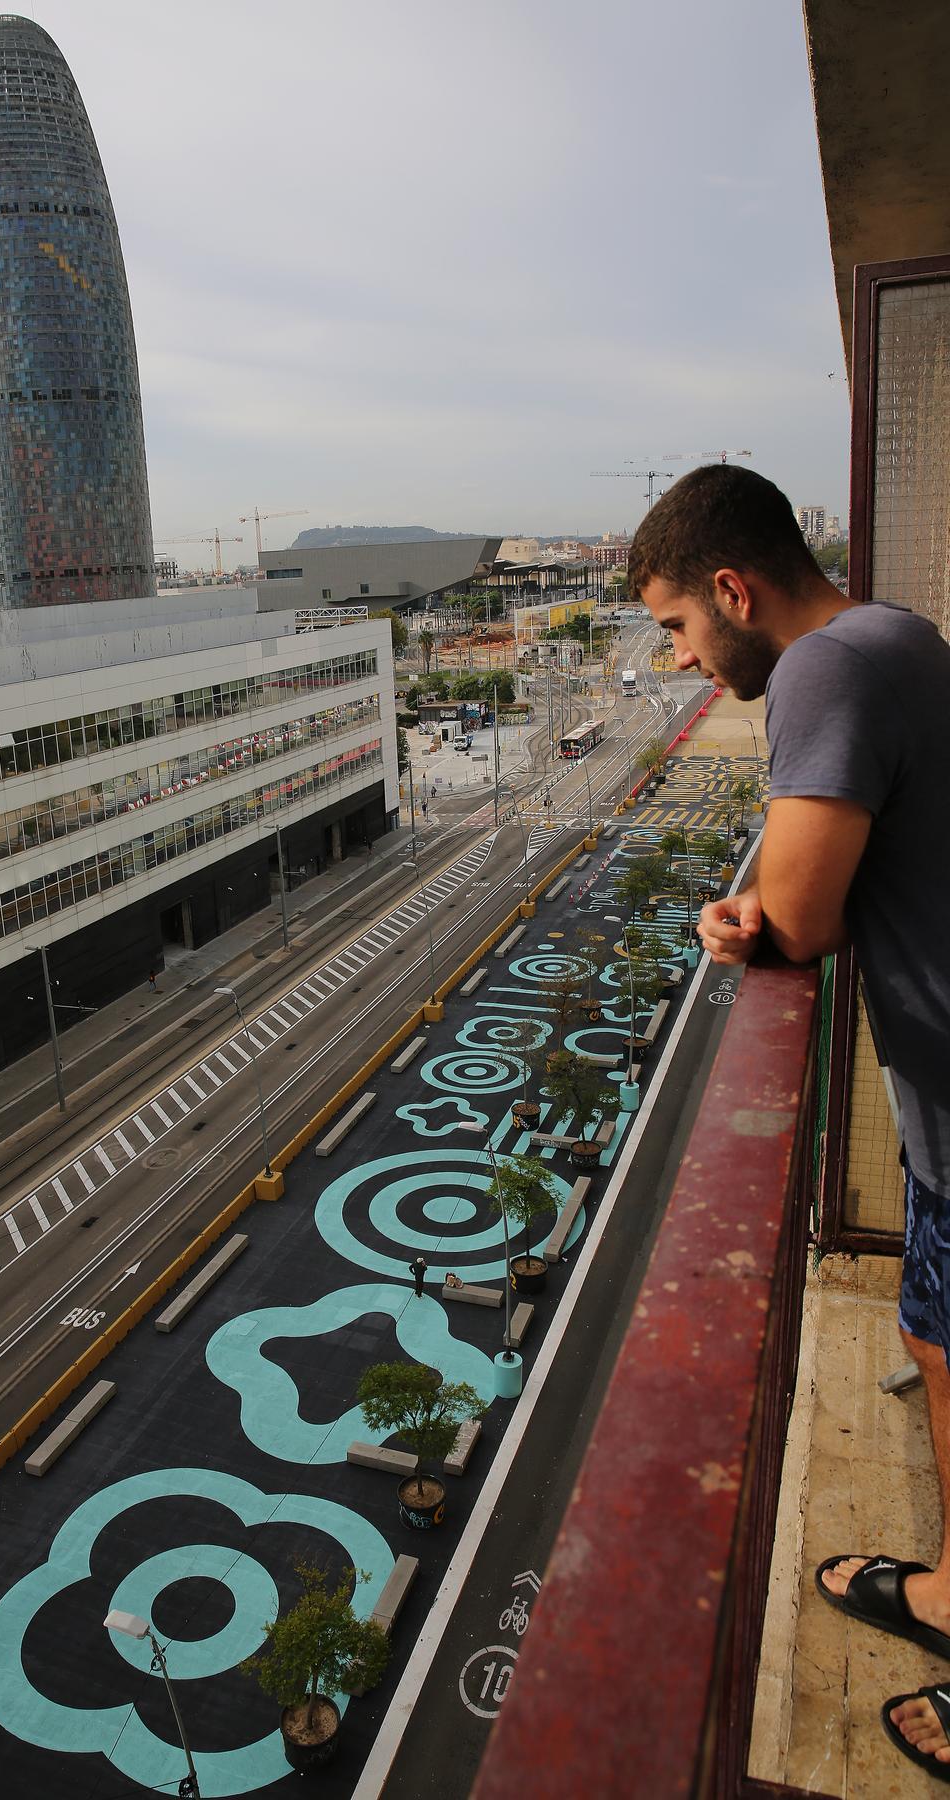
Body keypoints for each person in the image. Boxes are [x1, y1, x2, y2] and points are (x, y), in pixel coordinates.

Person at [628, 463, 950, 1777]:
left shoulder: (821, 673)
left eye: (676, 626)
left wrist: (751, 917)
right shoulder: (900, 633)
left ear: (733, 587)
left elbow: (803, 919)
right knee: (937, 1344)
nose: (684, 656)